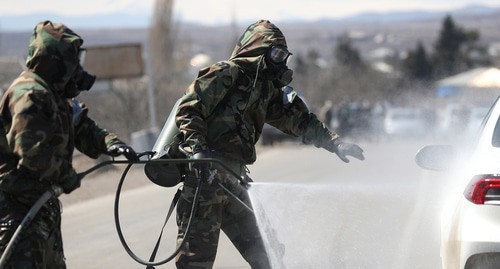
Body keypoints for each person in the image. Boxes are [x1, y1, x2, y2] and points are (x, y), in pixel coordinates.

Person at [174, 20, 365, 269]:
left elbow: (300, 120)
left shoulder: (267, 89)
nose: (280, 61)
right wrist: (198, 150)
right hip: (204, 183)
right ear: (257, 49)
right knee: (195, 264)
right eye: (275, 53)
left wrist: (334, 143)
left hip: (236, 180)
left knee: (268, 255)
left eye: (283, 55)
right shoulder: (225, 74)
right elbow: (189, 109)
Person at [0, 21, 138, 268]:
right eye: (72, 61)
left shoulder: (55, 94)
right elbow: (34, 156)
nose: (77, 69)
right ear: (54, 62)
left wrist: (112, 144)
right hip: (16, 213)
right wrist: (67, 176)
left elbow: (82, 127)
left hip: (40, 209)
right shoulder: (30, 94)